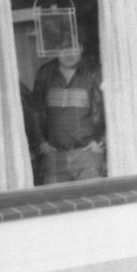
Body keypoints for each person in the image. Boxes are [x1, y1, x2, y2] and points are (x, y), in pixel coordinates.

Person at [30, 36, 106, 184]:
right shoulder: (45, 73)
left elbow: (112, 108)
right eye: (63, 48)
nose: (69, 53)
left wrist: (101, 142)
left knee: (92, 197)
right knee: (54, 198)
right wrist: (41, 142)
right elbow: (35, 110)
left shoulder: (95, 72)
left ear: (81, 48)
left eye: (73, 47)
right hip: (55, 157)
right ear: (54, 50)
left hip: (88, 156)